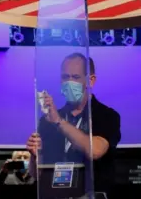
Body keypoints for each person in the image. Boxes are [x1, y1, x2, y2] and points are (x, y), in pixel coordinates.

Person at [26, 53, 121, 198]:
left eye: (75, 77)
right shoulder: (47, 120)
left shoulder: (107, 116)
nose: (69, 82)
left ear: (90, 80)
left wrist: (59, 122)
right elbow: (37, 174)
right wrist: (34, 157)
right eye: (65, 77)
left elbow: (95, 151)